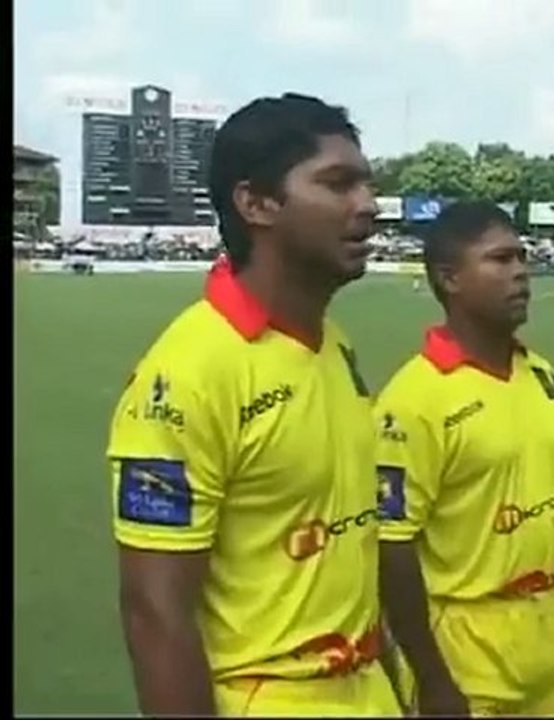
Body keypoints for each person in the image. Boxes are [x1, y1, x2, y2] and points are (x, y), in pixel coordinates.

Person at [106, 93, 402, 717]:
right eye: (337, 184)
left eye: (366, 184)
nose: (368, 206)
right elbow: (156, 614)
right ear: (257, 203)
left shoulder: (332, 345)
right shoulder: (189, 372)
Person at [376, 201, 554, 716]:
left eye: (521, 258)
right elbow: (392, 549)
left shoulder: (542, 374)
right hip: (467, 645)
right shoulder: (413, 399)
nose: (521, 272)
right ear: (450, 279)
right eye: (500, 260)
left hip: (550, 630)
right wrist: (431, 677)